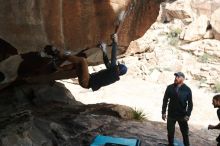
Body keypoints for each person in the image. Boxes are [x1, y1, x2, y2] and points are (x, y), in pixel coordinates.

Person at [0, 34, 127, 91]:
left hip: (87, 82)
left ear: (118, 69)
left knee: (82, 61)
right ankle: (56, 66)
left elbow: (112, 58)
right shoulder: (113, 73)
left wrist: (115, 41)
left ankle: (59, 54)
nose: (116, 65)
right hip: (86, 81)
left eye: (118, 66)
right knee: (75, 65)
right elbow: (107, 61)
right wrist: (103, 50)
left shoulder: (113, 73)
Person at [162, 72, 193, 146]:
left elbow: (190, 104)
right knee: (170, 132)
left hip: (182, 115)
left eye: (178, 77)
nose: (176, 78)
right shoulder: (169, 87)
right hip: (171, 114)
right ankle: (170, 144)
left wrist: (188, 115)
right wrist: (163, 112)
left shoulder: (187, 89)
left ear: (183, 78)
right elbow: (165, 100)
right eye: (175, 76)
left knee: (185, 133)